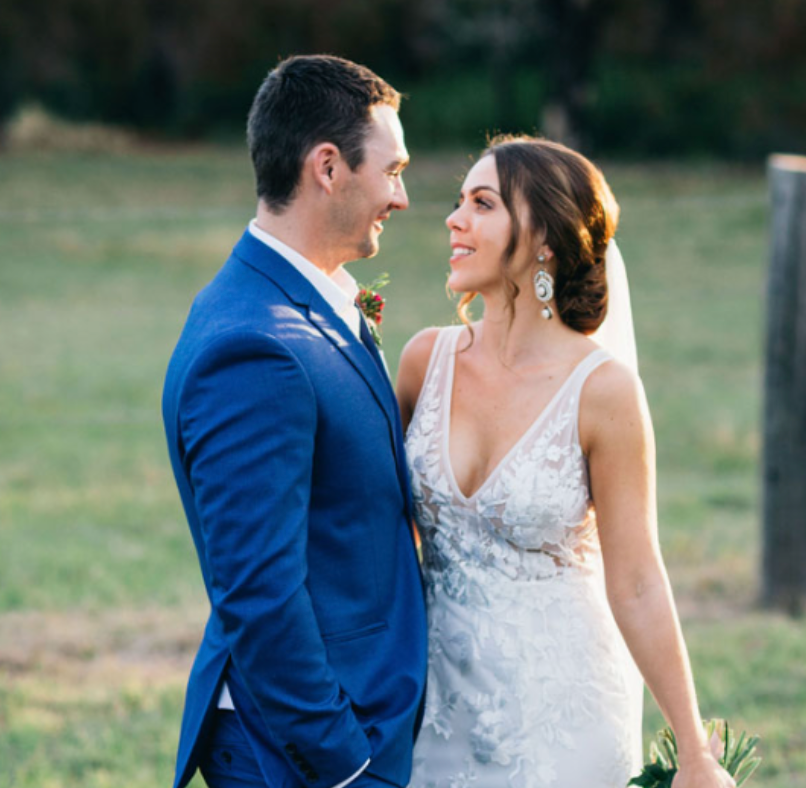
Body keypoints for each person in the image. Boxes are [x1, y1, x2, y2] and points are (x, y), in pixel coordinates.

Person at [396, 136, 735, 788]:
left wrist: (693, 751)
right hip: (436, 702)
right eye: (459, 200)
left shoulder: (603, 393)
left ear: (544, 239)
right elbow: (385, 530)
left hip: (560, 712)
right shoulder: (423, 362)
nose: (453, 218)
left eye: (482, 203)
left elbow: (637, 580)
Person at [162, 55, 426, 788]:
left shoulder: (303, 299)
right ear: (328, 166)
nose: (401, 197)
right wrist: (341, 763)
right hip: (294, 754)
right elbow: (258, 590)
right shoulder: (256, 347)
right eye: (393, 169)